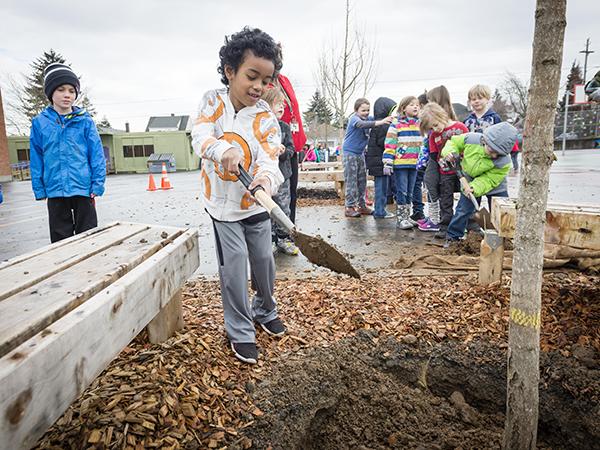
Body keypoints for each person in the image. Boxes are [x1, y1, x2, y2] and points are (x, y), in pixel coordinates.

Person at [191, 27, 285, 364]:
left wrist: (263, 182)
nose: (259, 86)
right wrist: (220, 149)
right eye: (252, 76)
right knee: (234, 267)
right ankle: (240, 331)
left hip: (255, 205)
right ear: (230, 71)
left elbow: (270, 160)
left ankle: (265, 308)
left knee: (264, 262)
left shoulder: (266, 120)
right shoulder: (212, 102)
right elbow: (199, 136)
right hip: (222, 207)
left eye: (266, 80)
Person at [29, 62, 106, 243]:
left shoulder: (85, 121)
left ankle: (89, 269)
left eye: (71, 91)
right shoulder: (40, 123)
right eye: (61, 90)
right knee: (60, 239)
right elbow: (36, 157)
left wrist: (97, 184)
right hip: (55, 190)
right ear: (50, 93)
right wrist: (39, 188)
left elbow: (96, 155)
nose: (67, 95)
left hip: (83, 188)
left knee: (88, 236)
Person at [440, 122, 517, 247]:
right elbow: (453, 142)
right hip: (469, 178)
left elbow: (489, 180)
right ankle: (453, 237)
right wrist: (450, 152)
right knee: (463, 210)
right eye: (492, 150)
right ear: (485, 141)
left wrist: (475, 187)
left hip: (495, 185)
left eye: (498, 154)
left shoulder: (504, 162)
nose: (494, 155)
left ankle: (505, 240)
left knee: (501, 212)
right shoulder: (471, 139)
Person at [418, 103, 469, 233]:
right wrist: (442, 160)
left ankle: (467, 224)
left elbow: (468, 147)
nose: (435, 129)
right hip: (445, 172)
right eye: (431, 128)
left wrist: (458, 156)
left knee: (466, 197)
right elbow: (434, 154)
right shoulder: (433, 136)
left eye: (436, 125)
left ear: (442, 116)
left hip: (462, 171)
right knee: (445, 201)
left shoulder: (460, 127)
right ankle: (445, 227)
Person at [261, 86, 299, 255]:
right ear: (266, 105)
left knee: (284, 208)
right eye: (277, 103)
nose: (282, 107)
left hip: (283, 176)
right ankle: (270, 240)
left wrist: (284, 152)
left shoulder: (284, 127)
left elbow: (292, 149)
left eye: (283, 104)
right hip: (266, 177)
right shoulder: (261, 126)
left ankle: (284, 239)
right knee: (267, 208)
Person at [343, 98, 392, 217]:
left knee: (362, 180)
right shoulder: (354, 119)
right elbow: (362, 125)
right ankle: (349, 206)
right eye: (363, 110)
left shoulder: (369, 119)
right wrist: (381, 122)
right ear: (356, 110)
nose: (366, 113)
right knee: (352, 180)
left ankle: (361, 205)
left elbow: (376, 120)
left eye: (368, 110)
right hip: (350, 153)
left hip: (360, 154)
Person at [383, 96, 423, 229]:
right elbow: (390, 143)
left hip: (415, 163)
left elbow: (424, 143)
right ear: (404, 108)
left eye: (417, 105)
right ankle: (401, 218)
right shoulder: (397, 123)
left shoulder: (420, 124)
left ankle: (407, 216)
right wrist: (388, 162)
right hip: (401, 163)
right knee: (402, 191)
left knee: (411, 191)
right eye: (412, 105)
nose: (415, 107)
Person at [278, 73, 306, 225]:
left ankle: (289, 230)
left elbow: (295, 113)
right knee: (277, 194)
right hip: (275, 144)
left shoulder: (284, 80)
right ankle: (274, 234)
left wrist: (300, 144)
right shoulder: (262, 82)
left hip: (291, 143)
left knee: (290, 192)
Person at [365, 97, 397, 218]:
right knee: (381, 189)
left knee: (381, 187)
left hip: (376, 161)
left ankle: (380, 209)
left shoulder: (378, 124)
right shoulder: (383, 125)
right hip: (380, 162)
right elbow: (385, 142)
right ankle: (380, 211)